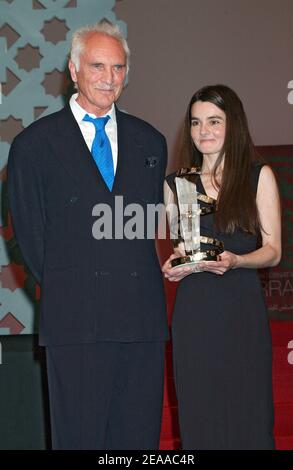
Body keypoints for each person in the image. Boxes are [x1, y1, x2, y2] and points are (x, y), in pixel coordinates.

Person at [8, 21, 168, 450]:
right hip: (76, 322)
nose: (109, 78)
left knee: (137, 446)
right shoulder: (33, 146)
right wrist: (75, 283)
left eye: (118, 68)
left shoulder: (150, 142)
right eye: (98, 66)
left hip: (141, 323)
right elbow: (31, 239)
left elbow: (142, 227)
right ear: (74, 69)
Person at [162, 84, 281, 450]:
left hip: (241, 308)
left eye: (214, 121)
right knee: (201, 416)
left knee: (249, 412)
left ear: (234, 126)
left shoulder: (258, 176)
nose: (204, 131)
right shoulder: (175, 185)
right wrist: (174, 265)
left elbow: (274, 251)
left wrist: (237, 261)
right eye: (196, 123)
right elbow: (185, 249)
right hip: (195, 313)